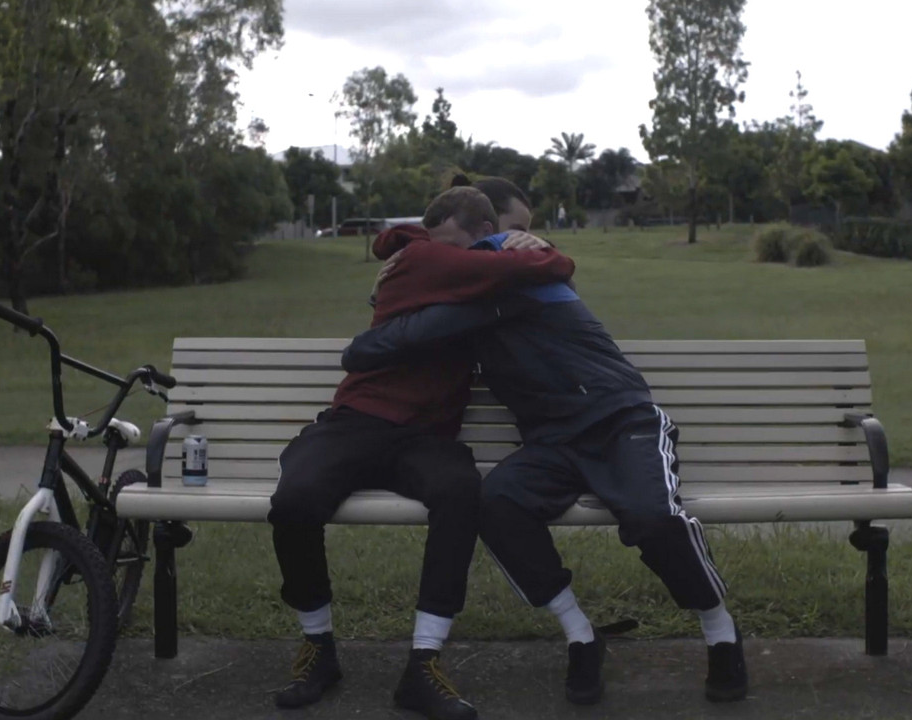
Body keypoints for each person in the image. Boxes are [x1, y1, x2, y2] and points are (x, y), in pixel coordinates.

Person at [340, 203, 749, 707]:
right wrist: (386, 283)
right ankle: (581, 635)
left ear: (492, 236)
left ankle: (721, 632)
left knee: (653, 517)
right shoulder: (470, 274)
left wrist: (397, 287)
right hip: (553, 442)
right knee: (495, 503)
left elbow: (392, 338)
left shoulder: (506, 269)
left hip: (621, 421)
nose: (441, 259)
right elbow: (408, 303)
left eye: (450, 247)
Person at [267, 185, 574, 720]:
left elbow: (402, 239)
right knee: (295, 500)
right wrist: (539, 245)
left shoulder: (433, 252)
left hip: (426, 437)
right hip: (357, 420)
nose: (448, 250)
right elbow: (554, 267)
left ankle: (423, 664)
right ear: (483, 233)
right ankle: (318, 647)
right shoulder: (437, 257)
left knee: (460, 495)